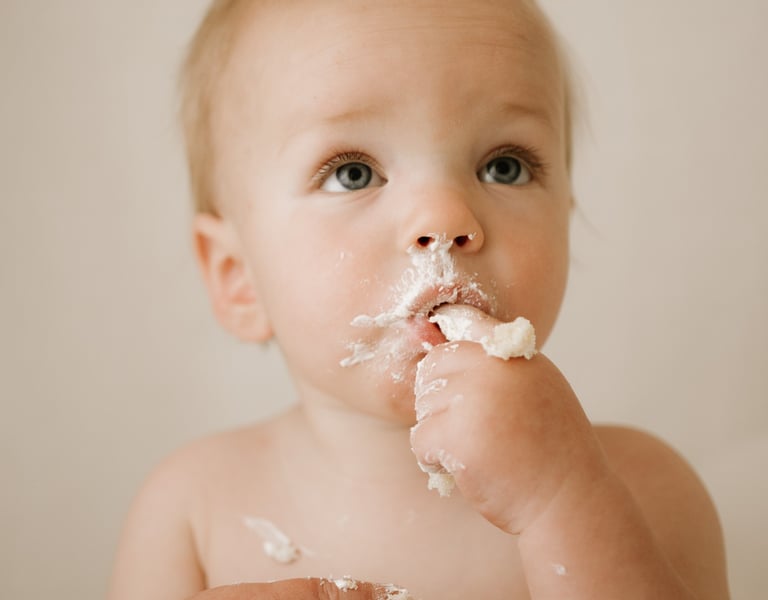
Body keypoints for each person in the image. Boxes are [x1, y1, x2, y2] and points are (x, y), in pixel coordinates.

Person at [108, 0, 730, 598]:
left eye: (504, 166)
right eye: (352, 172)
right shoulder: (191, 511)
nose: (445, 217)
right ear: (238, 276)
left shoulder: (642, 489)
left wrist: (562, 500)